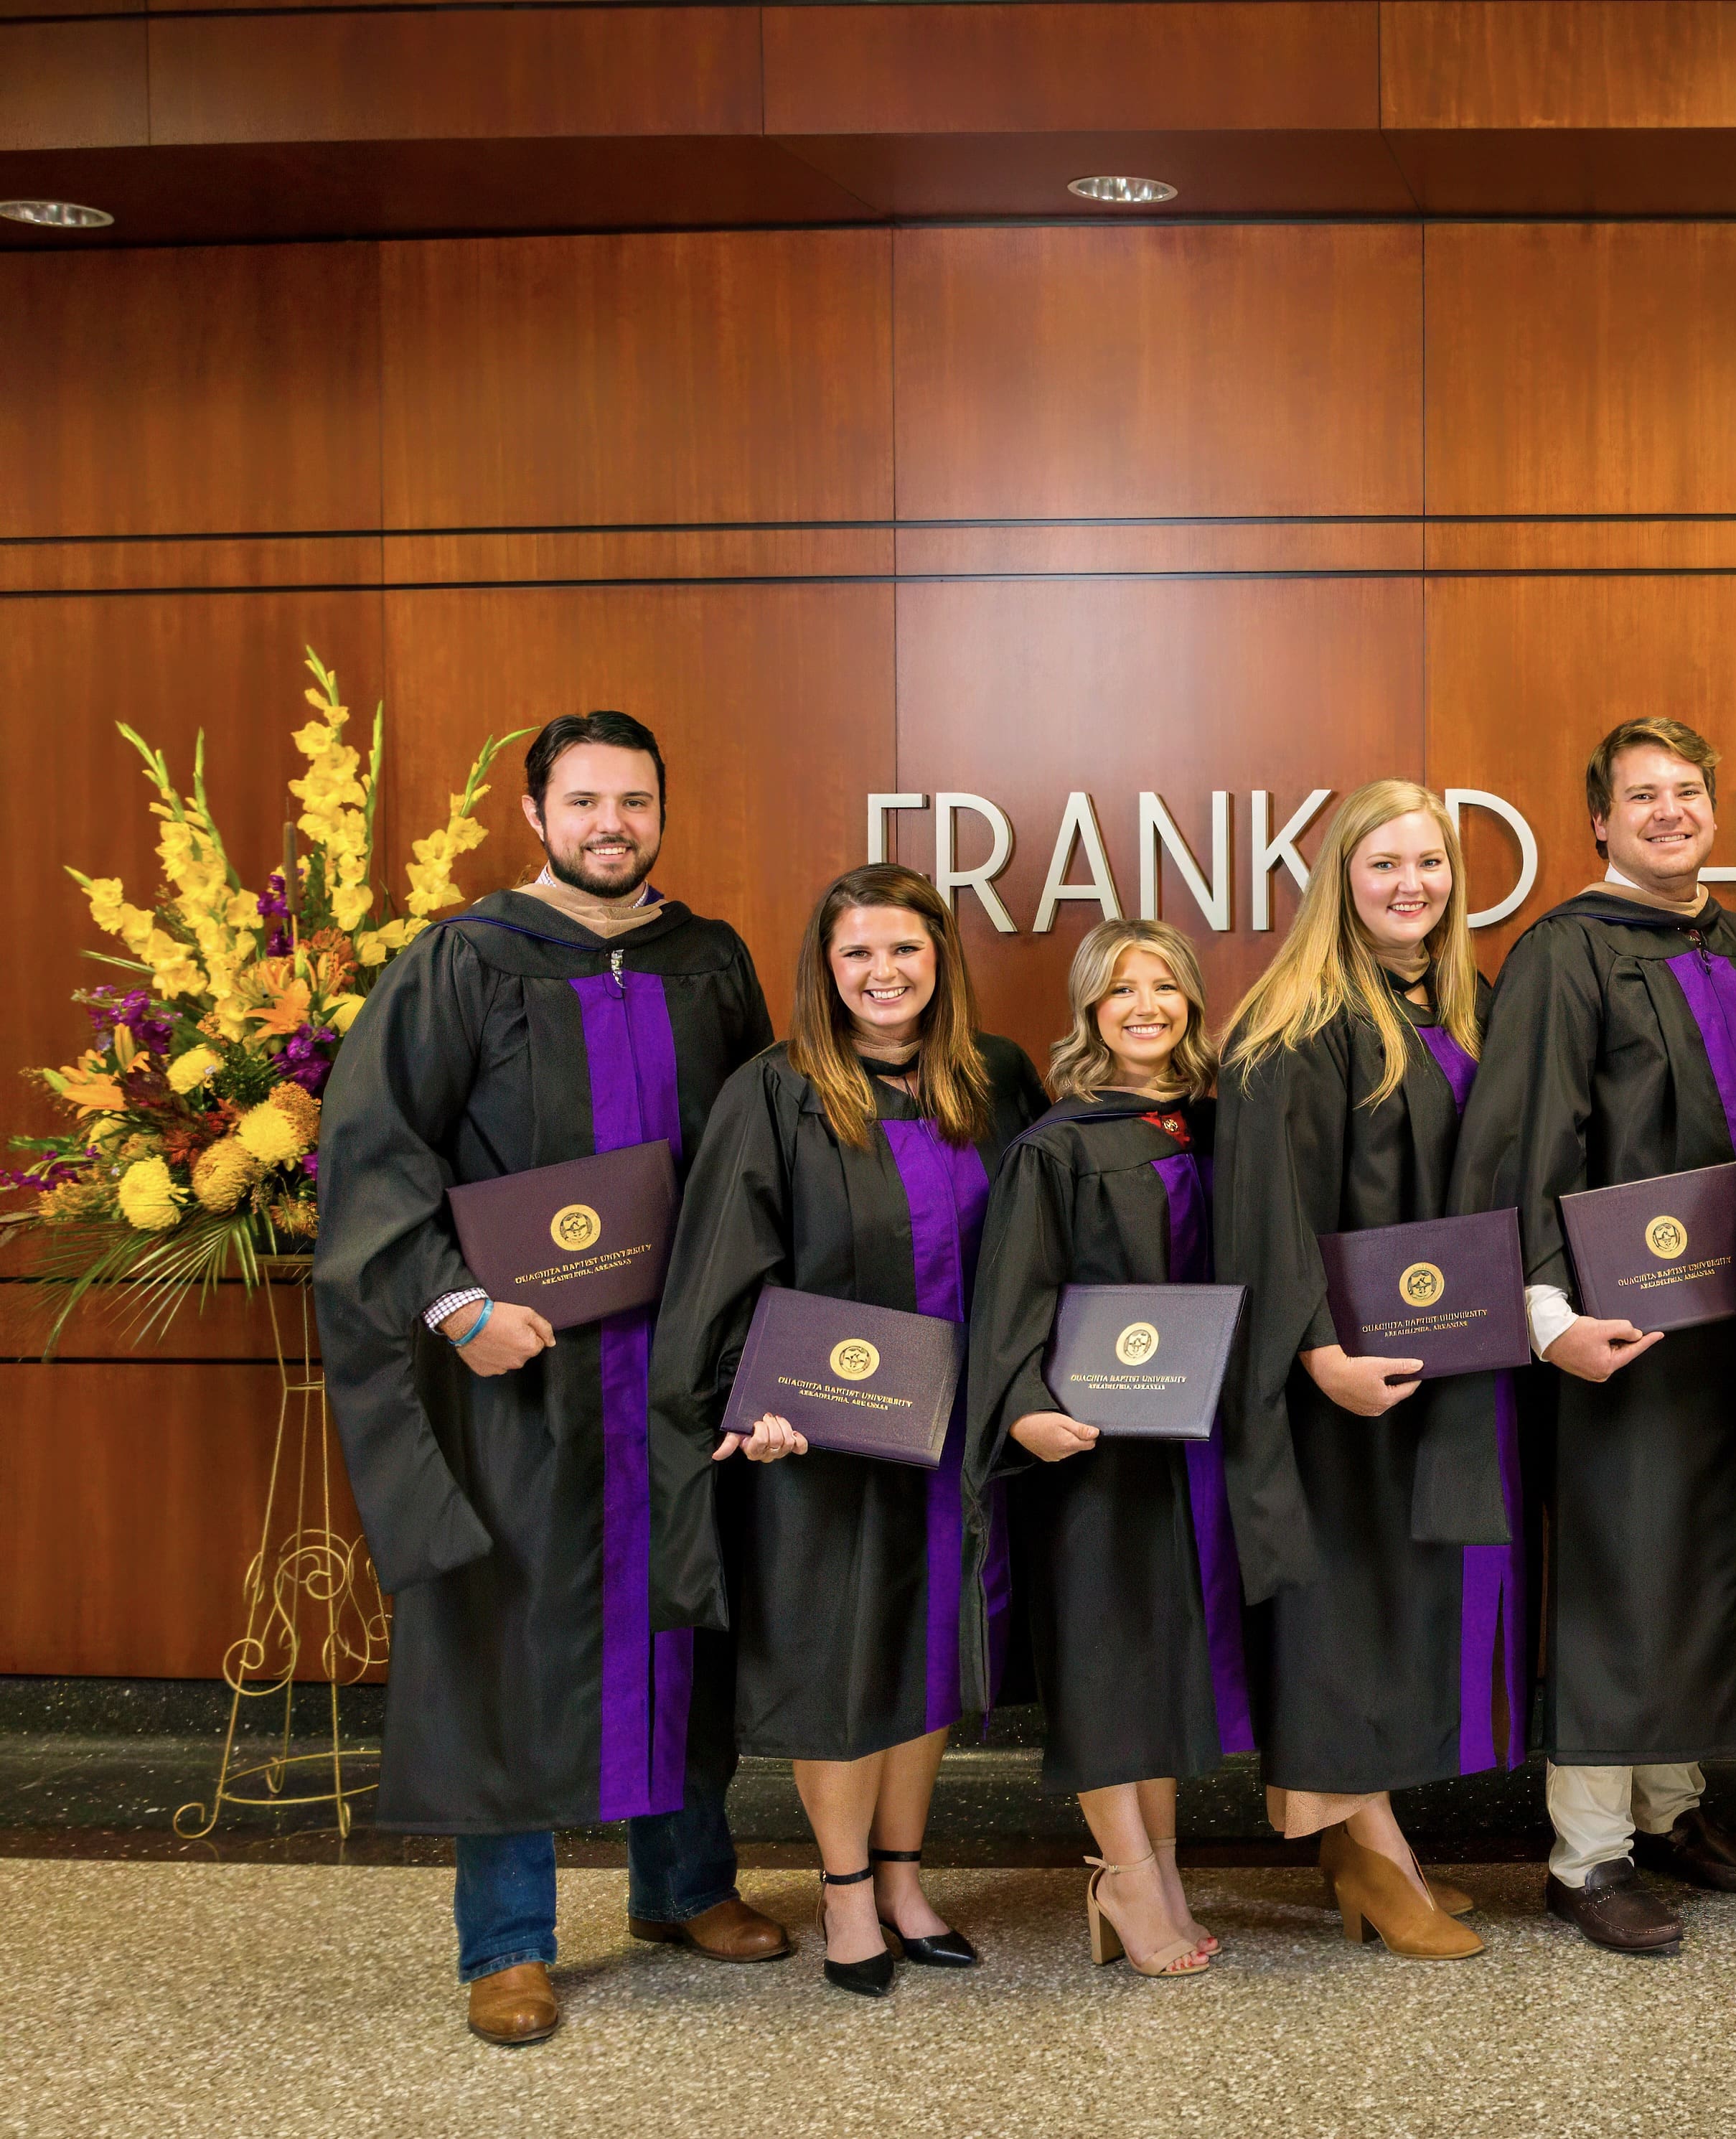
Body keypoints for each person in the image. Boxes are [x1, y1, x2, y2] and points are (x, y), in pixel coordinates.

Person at [314, 710, 787, 2047]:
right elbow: (376, 1155)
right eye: (583, 803)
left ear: (660, 810)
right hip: (524, 1372)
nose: (610, 826)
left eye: (633, 802)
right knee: (509, 1635)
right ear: (535, 816)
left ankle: (686, 1885)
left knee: (684, 1608)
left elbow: (758, 1144)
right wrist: (459, 1308)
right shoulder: (463, 961)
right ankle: (509, 1943)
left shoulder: (709, 960)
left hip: (677, 1368)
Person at [652, 864, 1048, 1997]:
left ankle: (905, 1877)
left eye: (906, 950)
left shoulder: (993, 1078)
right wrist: (747, 1398)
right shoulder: (774, 1093)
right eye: (858, 953)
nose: (884, 973)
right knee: (839, 1663)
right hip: (823, 1440)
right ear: (825, 970)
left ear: (942, 960)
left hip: (957, 1435)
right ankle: (841, 1893)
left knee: (929, 1655)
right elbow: (724, 1262)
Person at [1450, 720, 1736, 1957]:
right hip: (1619, 1325)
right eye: (1640, 796)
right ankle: (1584, 1854)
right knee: (1618, 1569)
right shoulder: (1563, 953)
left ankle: (1672, 1809)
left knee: (1702, 1559)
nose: (1668, 812)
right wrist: (1547, 1318)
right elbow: (1524, 1138)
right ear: (1597, 820)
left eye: (1687, 793)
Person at [1210, 782, 1503, 1963]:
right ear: (1341, 876)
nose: (1409, 886)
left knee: (1395, 1599)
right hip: (1339, 1376)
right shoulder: (1295, 1020)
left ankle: (1368, 1842)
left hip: (1438, 1353)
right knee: (1339, 1607)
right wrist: (1315, 1349)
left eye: (1427, 863)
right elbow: (1263, 1211)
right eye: (1383, 865)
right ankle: (1367, 1858)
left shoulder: (1458, 1002)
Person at [965, 917, 1234, 1980]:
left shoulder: (1212, 1129)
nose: (1143, 1007)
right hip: (1089, 1445)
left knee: (1160, 1659)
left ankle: (1157, 1868)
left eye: (1163, 987)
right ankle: (1122, 1873)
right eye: (1120, 991)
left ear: (1191, 1004)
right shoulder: (1059, 1145)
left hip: (1190, 1444)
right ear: (1088, 1013)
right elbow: (1010, 1298)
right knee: (1105, 1658)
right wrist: (1022, 1405)